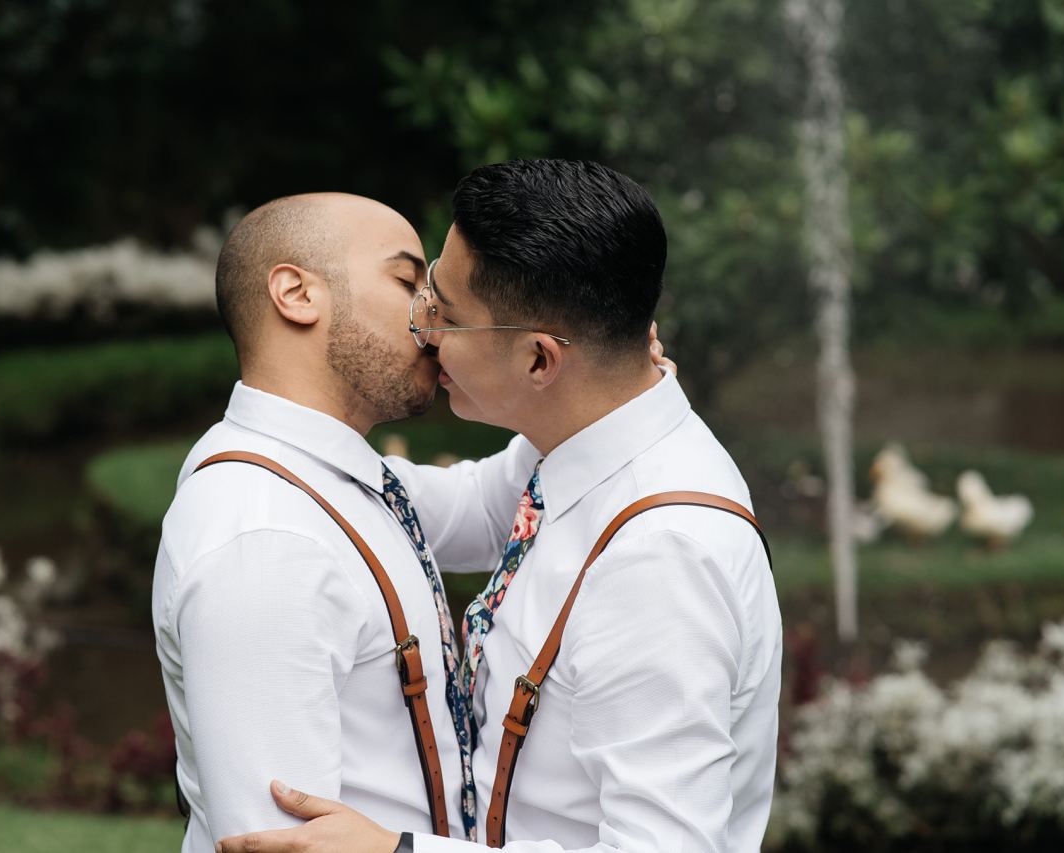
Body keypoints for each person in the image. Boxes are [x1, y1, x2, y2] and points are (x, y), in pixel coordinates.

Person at [219, 159, 782, 853]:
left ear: (540, 361)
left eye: (446, 315)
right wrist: (257, 447)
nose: (423, 328)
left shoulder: (659, 558)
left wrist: (397, 851)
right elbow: (442, 508)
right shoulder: (590, 441)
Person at [153, 192, 544, 852]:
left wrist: (596, 375)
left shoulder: (329, 478)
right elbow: (280, 846)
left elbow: (490, 508)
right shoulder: (267, 537)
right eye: (408, 282)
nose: (434, 316)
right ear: (296, 294)